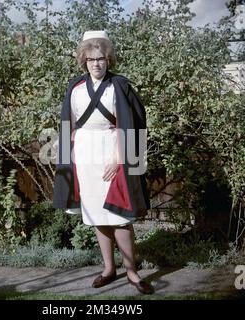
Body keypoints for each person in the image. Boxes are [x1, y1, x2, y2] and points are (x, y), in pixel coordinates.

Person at [53, 30, 153, 294]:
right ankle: (109, 269)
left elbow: (136, 124)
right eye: (91, 59)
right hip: (85, 158)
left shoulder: (119, 85)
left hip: (113, 152)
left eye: (101, 59)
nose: (96, 63)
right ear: (83, 61)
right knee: (98, 216)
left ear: (108, 60)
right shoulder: (74, 88)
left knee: (120, 218)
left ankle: (132, 271)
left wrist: (121, 158)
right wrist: (70, 154)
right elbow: (69, 124)